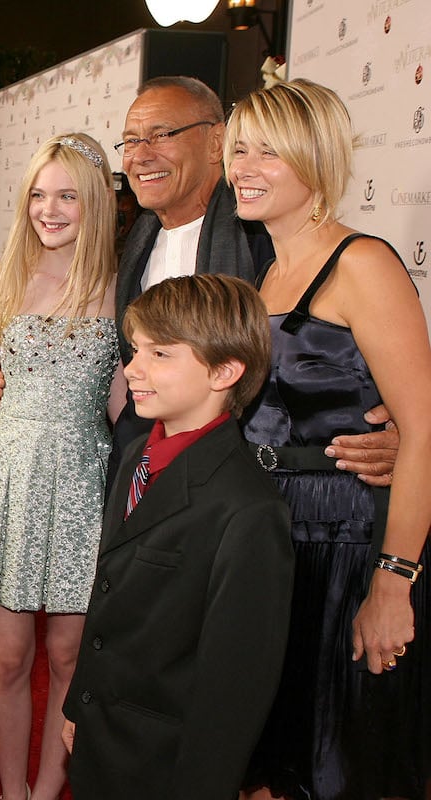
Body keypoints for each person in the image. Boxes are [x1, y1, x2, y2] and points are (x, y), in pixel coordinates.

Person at [0, 75, 397, 491]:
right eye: (131, 142)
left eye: (161, 135)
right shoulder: (134, 243)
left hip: (258, 486)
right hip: (145, 476)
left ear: (214, 142)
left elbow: (337, 362)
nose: (141, 155)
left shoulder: (264, 235)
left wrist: (401, 430)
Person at [226, 80, 431, 800]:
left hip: (347, 543)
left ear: (314, 160)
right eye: (239, 149)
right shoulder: (266, 274)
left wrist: (393, 581)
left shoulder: (361, 264)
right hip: (270, 542)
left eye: (267, 153)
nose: (243, 167)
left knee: (337, 767)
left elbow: (424, 428)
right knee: (264, 766)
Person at [0, 134, 125, 800]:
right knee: (9, 657)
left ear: (94, 202)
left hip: (82, 485)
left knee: (70, 656)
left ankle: (48, 791)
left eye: (67, 195)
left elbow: (123, 408)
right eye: (40, 195)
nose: (50, 209)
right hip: (5, 482)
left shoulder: (116, 290)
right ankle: (11, 792)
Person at [61, 274, 293, 800]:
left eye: (160, 354)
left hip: (165, 766)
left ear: (225, 371)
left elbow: (235, 688)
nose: (132, 369)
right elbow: (107, 603)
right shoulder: (134, 460)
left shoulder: (249, 511)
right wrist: (80, 704)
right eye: (135, 349)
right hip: (102, 740)